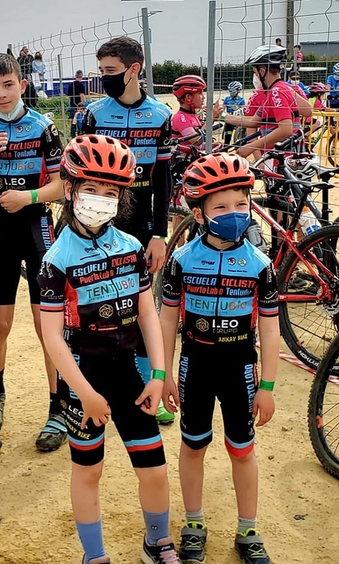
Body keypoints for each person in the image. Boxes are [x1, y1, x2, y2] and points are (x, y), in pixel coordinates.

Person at [39, 135, 179, 564]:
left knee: (154, 468)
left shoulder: (132, 248)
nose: (102, 199)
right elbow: (51, 338)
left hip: (126, 373)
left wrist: (157, 373)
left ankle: (157, 542)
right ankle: (94, 556)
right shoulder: (55, 259)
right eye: (91, 189)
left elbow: (147, 314)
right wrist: (83, 392)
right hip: (82, 376)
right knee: (89, 471)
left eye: (112, 192)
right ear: (69, 189)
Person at [160, 153, 278, 564]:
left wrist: (267, 386)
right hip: (195, 364)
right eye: (221, 206)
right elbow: (167, 317)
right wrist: (162, 373)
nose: (233, 213)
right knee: (193, 446)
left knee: (242, 449)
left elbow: (269, 328)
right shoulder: (181, 260)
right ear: (198, 212)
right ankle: (194, 522)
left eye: (241, 204)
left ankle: (248, 528)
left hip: (241, 366)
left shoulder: (261, 266)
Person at [0, 52, 65, 452]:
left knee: (48, 328)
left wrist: (27, 197)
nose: (2, 93)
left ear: (22, 84)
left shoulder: (44, 126)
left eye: (8, 85)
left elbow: (63, 186)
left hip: (39, 231)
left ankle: (58, 406)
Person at [79, 36, 174, 425]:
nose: (104, 79)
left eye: (111, 72)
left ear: (135, 69)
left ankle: (148, 386)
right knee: (91, 298)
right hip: (98, 219)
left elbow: (163, 179)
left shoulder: (160, 116)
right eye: (101, 72)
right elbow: (79, 174)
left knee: (142, 305)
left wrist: (159, 233)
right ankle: (85, 385)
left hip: (139, 226)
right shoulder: (93, 114)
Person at [223, 45, 299, 157]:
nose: (256, 76)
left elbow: (286, 129)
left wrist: (251, 146)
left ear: (262, 71)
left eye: (255, 72)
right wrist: (222, 116)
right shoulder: (278, 90)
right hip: (281, 154)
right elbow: (253, 121)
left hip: (281, 156)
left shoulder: (276, 92)